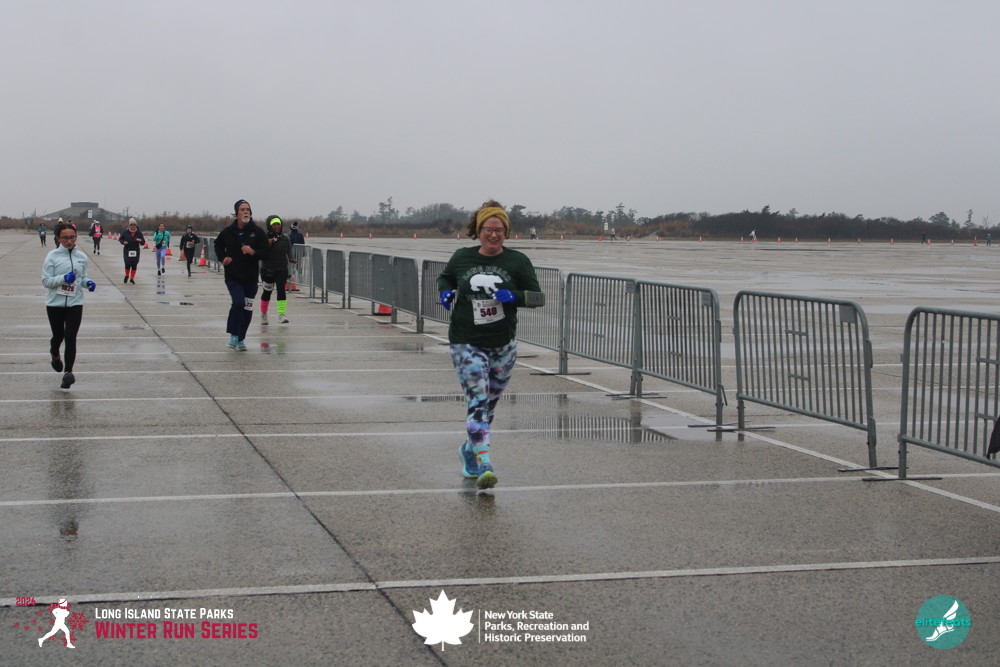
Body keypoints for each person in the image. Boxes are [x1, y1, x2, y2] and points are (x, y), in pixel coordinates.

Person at [437, 200, 546, 490]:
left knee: (489, 406)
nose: (493, 235)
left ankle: (468, 449)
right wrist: (445, 291)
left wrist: (515, 296)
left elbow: (538, 297)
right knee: (477, 400)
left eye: (499, 230)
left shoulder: (517, 261)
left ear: (506, 232)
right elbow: (445, 277)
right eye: (488, 229)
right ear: (478, 230)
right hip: (466, 341)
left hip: (502, 345)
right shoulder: (462, 257)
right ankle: (484, 463)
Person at [42, 222, 96, 389]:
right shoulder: (52, 256)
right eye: (65, 238)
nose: (69, 241)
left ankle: (68, 373)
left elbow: (82, 277)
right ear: (58, 238)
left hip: (75, 303)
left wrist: (88, 283)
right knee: (58, 336)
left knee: (71, 336)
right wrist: (63, 278)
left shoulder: (82, 257)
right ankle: (55, 353)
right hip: (55, 304)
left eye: (72, 237)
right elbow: (46, 281)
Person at [214, 199, 268, 350]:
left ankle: (241, 339)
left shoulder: (257, 232)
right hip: (233, 276)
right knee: (238, 303)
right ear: (236, 213)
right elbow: (218, 245)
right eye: (242, 209)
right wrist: (222, 258)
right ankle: (233, 335)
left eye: (248, 209)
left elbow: (266, 251)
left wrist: (254, 251)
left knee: (247, 308)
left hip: (251, 277)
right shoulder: (228, 231)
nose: (246, 212)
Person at [259, 215, 297, 325]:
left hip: (281, 269)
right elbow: (260, 253)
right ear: (269, 226)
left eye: (278, 224)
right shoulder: (264, 238)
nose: (276, 226)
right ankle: (264, 314)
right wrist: (267, 244)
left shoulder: (285, 238)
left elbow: (289, 249)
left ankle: (281, 315)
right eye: (274, 225)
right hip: (268, 270)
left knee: (281, 290)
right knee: (267, 292)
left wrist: (291, 258)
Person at [119, 218, 145, 284]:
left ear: (136, 225)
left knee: (134, 264)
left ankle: (131, 279)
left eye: (134, 225)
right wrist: (123, 242)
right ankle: (127, 275)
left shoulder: (138, 232)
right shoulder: (125, 232)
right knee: (127, 264)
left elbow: (143, 242)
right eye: (131, 225)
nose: (133, 226)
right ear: (129, 225)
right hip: (127, 250)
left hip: (135, 250)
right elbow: (121, 239)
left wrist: (140, 240)